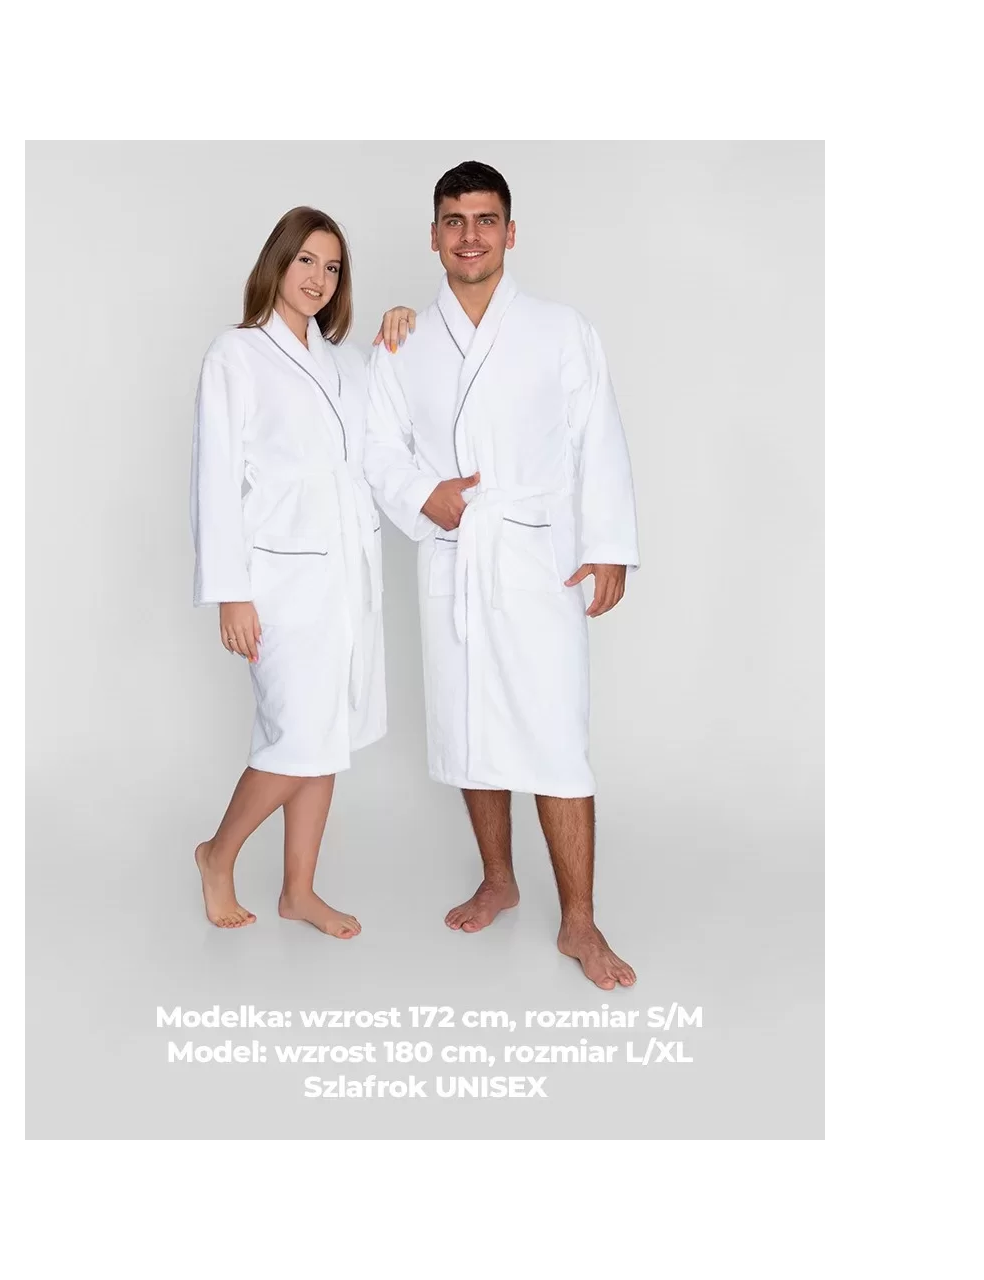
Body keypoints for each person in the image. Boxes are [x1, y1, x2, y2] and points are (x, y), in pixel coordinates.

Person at [364, 161, 641, 989]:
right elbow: (376, 447)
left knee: (555, 740)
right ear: (434, 235)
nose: (470, 235)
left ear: (510, 232)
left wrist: (610, 544)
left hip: (539, 559)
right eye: (454, 220)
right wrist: (424, 496)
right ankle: (499, 878)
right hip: (457, 556)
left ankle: (580, 921)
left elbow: (598, 436)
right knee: (469, 728)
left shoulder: (560, 328)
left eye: (485, 219)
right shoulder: (404, 341)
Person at [190, 207, 386, 939]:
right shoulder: (237, 355)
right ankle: (217, 854)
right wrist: (230, 593)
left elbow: (397, 407)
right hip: (279, 583)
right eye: (306, 260)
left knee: (325, 735)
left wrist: (406, 324)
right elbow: (214, 479)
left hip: (346, 577)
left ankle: (299, 890)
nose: (318, 278)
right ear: (278, 262)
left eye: (332, 267)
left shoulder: (347, 363)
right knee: (297, 736)